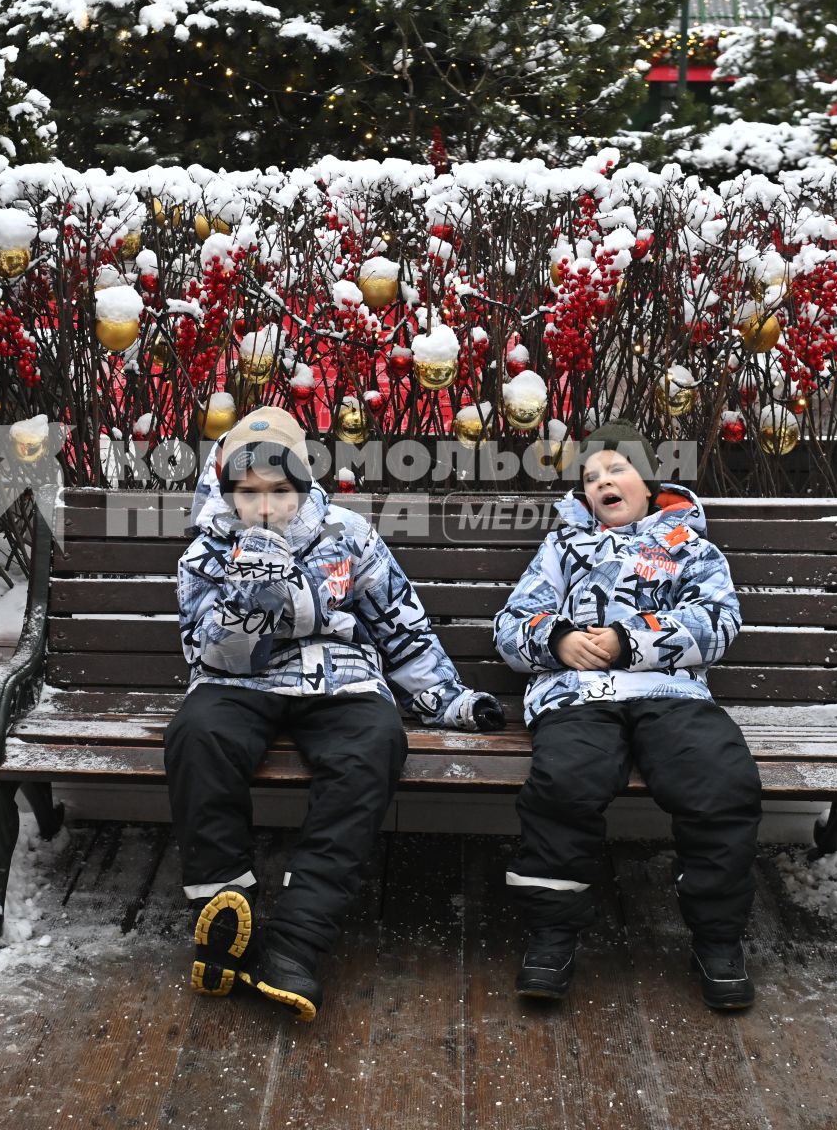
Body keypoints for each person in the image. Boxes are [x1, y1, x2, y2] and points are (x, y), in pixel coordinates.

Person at [169, 407, 503, 1021]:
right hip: (243, 678)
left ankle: (299, 935)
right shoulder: (205, 551)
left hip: (339, 677)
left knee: (373, 745)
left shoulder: (348, 535)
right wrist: (250, 598)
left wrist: (449, 699)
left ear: (302, 487)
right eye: (249, 494)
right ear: (227, 491)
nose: (265, 507)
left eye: (280, 492)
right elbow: (207, 651)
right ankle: (223, 906)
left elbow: (399, 625)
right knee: (197, 735)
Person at [492, 441, 757, 1009]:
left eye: (617, 469)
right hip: (579, 694)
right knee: (565, 781)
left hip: (669, 690)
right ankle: (552, 932)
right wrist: (558, 639)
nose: (602, 482)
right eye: (590, 478)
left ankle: (718, 939)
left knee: (718, 778)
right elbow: (513, 623)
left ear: (649, 483)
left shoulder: (690, 546)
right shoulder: (562, 547)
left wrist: (632, 639)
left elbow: (720, 620)